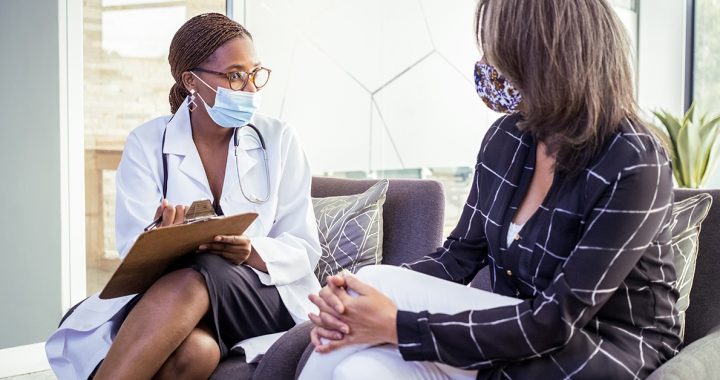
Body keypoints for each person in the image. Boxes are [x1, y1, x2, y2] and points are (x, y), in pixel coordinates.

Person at [300, 0, 681, 379]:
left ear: (546, 56)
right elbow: (459, 257)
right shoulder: (507, 139)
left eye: (499, 49)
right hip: (510, 328)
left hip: (598, 346)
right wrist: (365, 305)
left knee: (374, 286)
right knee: (360, 365)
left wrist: (396, 325)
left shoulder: (634, 163)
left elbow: (556, 319)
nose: (487, 62)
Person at [46, 13, 322, 380]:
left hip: (265, 294)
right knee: (196, 353)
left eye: (255, 73)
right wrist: (158, 240)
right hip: (178, 294)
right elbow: (132, 251)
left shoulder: (278, 138)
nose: (251, 89)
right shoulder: (147, 143)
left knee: (199, 274)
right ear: (191, 81)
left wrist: (250, 250)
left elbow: (304, 247)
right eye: (235, 76)